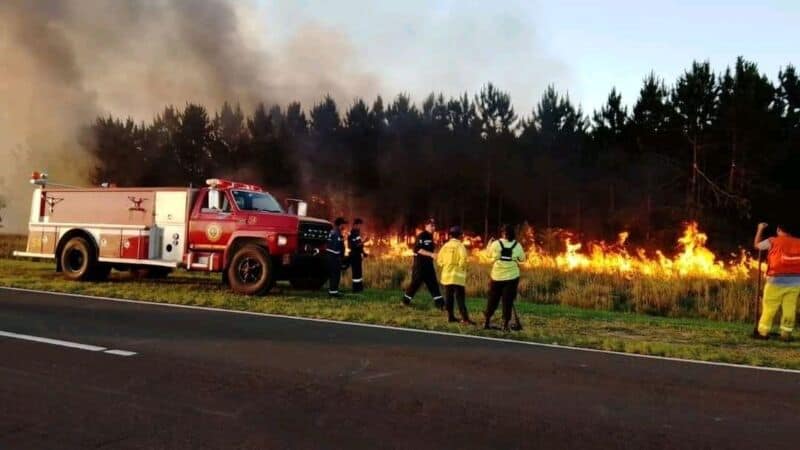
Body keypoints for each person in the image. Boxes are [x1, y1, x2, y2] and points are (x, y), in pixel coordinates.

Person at [753, 221, 800, 341]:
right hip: (796, 281)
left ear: (779, 230)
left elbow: (757, 245)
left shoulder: (772, 240)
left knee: (769, 307)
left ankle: (763, 333)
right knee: (790, 307)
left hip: (776, 280)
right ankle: (786, 334)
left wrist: (760, 229)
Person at [484, 224, 526, 331]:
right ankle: (505, 324)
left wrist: (489, 245)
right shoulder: (517, 245)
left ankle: (487, 322)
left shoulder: (496, 244)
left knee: (492, 299)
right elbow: (522, 260)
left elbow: (488, 255)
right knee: (508, 301)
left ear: (503, 233)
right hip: (512, 277)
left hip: (497, 276)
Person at [436, 226, 475, 324]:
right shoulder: (460, 246)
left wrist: (445, 265)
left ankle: (450, 317)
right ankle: (465, 319)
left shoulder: (445, 246)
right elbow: (464, 259)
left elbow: (439, 260)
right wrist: (462, 268)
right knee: (460, 298)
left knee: (449, 297)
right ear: (460, 236)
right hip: (457, 277)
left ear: (450, 235)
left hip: (446, 276)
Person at [402, 218, 444, 309]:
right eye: (431, 225)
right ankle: (405, 301)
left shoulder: (431, 236)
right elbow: (417, 249)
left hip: (429, 266)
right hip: (420, 266)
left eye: (434, 225)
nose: (433, 227)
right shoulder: (422, 236)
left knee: (433, 284)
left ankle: (440, 305)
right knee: (415, 284)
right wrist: (431, 254)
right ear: (426, 226)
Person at [326, 217, 347, 298]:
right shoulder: (336, 233)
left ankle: (333, 291)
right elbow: (336, 248)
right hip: (334, 258)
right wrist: (340, 258)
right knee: (335, 275)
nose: (344, 226)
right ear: (340, 224)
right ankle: (333, 293)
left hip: (331, 257)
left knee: (333, 275)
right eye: (343, 224)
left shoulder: (333, 231)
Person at [347, 218, 367, 293]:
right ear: (355, 225)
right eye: (359, 225)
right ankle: (355, 289)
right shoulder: (353, 234)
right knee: (356, 272)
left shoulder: (357, 233)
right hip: (354, 255)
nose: (360, 227)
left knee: (359, 272)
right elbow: (354, 246)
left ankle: (359, 288)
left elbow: (359, 246)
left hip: (357, 255)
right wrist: (364, 241)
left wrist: (363, 253)